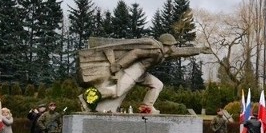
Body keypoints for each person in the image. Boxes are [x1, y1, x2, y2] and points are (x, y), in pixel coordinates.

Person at [77, 34, 208, 113]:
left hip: (141, 72)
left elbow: (181, 51)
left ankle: (147, 106)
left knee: (157, 84)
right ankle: (87, 97)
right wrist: (119, 65)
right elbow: (135, 53)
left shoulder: (164, 52)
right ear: (167, 44)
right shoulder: (155, 49)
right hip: (133, 70)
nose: (175, 47)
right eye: (173, 45)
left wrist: (199, 50)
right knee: (117, 92)